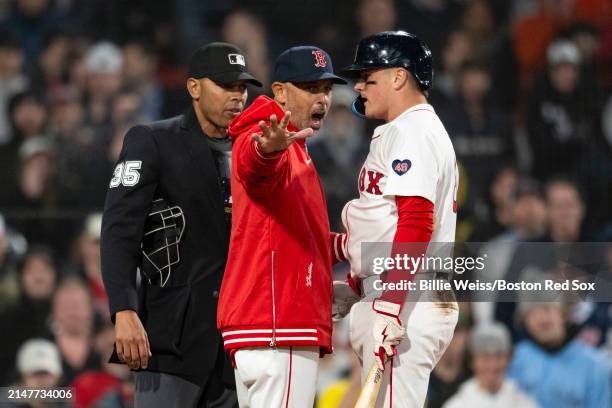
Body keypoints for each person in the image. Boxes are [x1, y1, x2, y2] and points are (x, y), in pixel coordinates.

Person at [101, 42, 262, 408]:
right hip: (171, 340)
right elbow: (118, 230)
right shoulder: (153, 140)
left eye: (242, 88)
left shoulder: (254, 150)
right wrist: (123, 310)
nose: (237, 97)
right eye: (225, 86)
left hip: (237, 348)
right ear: (193, 87)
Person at [217, 45, 347, 408]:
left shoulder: (298, 147)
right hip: (278, 325)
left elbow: (299, 232)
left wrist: (346, 249)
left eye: (326, 89)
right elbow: (254, 168)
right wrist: (268, 151)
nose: (321, 98)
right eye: (310, 87)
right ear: (280, 91)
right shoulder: (265, 135)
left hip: (266, 327)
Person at [339, 31, 459, 407]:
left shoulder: (414, 129)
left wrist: (389, 305)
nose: (359, 85)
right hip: (398, 291)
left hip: (406, 296)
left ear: (398, 77)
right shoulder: (404, 129)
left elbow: (417, 220)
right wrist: (361, 284)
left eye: (368, 76)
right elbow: (386, 223)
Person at [508, 287, 611, 408]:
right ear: (525, 322)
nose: (541, 319)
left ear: (562, 313)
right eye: (532, 314)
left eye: (546, 309)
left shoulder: (595, 365)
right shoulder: (514, 359)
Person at [443, 323, 538, 408]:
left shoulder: (525, 403)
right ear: (472, 361)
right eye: (485, 358)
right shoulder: (456, 405)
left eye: (499, 356)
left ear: (509, 359)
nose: (493, 365)